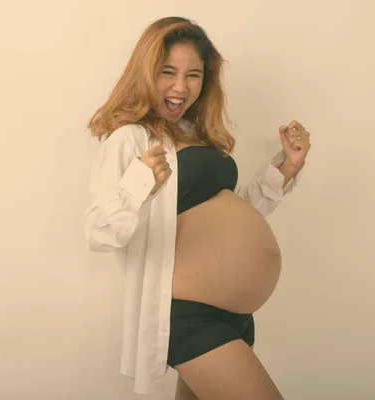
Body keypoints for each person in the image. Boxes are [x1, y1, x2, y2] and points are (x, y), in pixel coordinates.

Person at [84, 16, 311, 400]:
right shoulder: (129, 139)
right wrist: (141, 182)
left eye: (194, 75)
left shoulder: (193, 135)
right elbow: (99, 232)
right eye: (167, 72)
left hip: (235, 317)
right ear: (145, 73)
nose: (180, 86)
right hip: (189, 317)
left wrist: (287, 166)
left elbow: (233, 213)